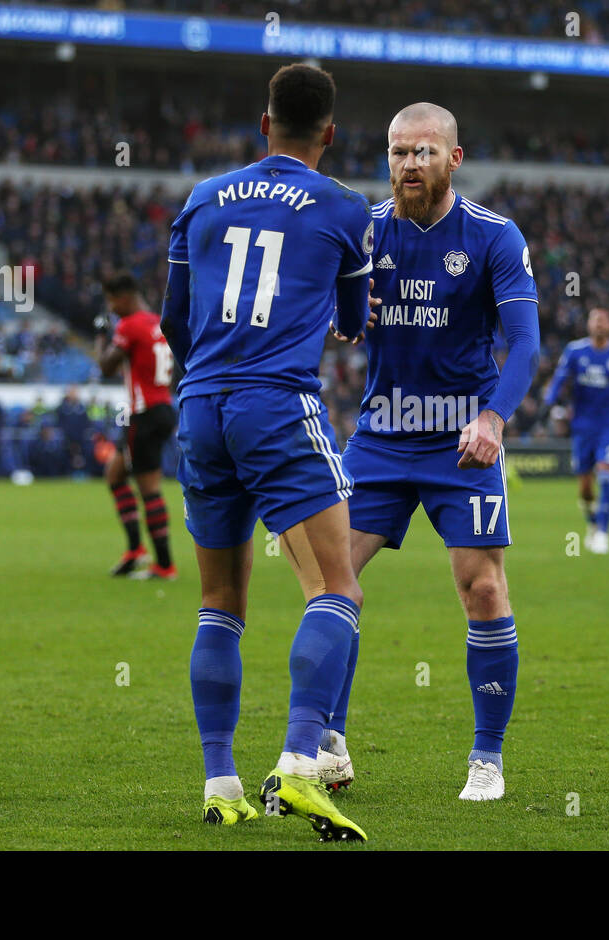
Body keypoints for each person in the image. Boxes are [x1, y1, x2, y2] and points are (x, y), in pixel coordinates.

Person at [161, 63, 373, 840]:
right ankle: (295, 761)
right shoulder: (344, 208)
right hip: (277, 404)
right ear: (330, 134)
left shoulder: (202, 196)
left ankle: (221, 784)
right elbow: (352, 318)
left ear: (263, 124)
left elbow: (175, 320)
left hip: (201, 406)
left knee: (220, 603)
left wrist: (212, 368)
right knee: (338, 589)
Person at [325, 102, 541, 802]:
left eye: (422, 153)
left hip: (462, 442)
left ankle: (487, 757)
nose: (407, 165)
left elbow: (526, 341)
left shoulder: (494, 237)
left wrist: (495, 418)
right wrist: (348, 315)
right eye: (396, 152)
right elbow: (329, 316)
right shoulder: (362, 231)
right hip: (383, 435)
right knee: (331, 585)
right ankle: (328, 742)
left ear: (454, 158)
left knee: (482, 589)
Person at [95, 272, 177, 579]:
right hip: (163, 408)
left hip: (142, 414)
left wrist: (101, 334)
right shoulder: (158, 322)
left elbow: (106, 367)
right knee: (115, 473)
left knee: (149, 489)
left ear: (126, 297)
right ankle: (135, 549)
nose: (111, 307)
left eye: (112, 300)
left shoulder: (129, 325)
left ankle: (165, 564)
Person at [543, 307, 609, 554]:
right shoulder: (575, 351)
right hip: (582, 427)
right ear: (588, 325)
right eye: (595, 320)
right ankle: (592, 525)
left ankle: (603, 533)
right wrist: (551, 403)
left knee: (606, 474)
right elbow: (559, 379)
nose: (599, 324)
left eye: (603, 320)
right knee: (586, 488)